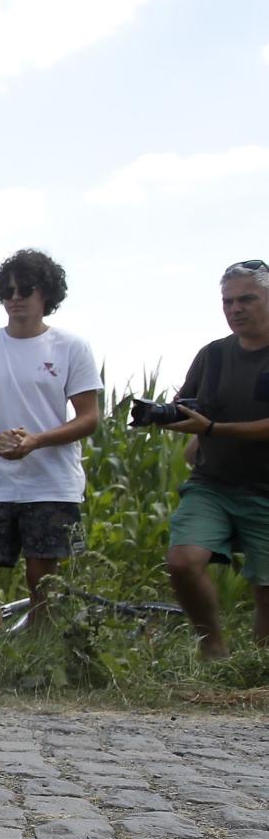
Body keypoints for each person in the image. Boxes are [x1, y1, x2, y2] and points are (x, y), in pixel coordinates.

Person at [0, 250, 101, 627]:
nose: (14, 298)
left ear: (46, 294)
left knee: (42, 582)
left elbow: (90, 418)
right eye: (7, 290)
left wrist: (37, 441)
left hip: (52, 483)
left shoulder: (71, 347)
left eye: (25, 289)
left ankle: (39, 653)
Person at [157, 259, 269, 660]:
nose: (235, 309)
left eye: (246, 299)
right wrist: (167, 416)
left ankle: (256, 672)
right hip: (213, 484)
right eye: (227, 302)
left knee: (266, 591)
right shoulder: (213, 355)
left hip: (265, 490)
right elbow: (189, 406)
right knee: (183, 562)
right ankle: (213, 649)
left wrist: (212, 430)